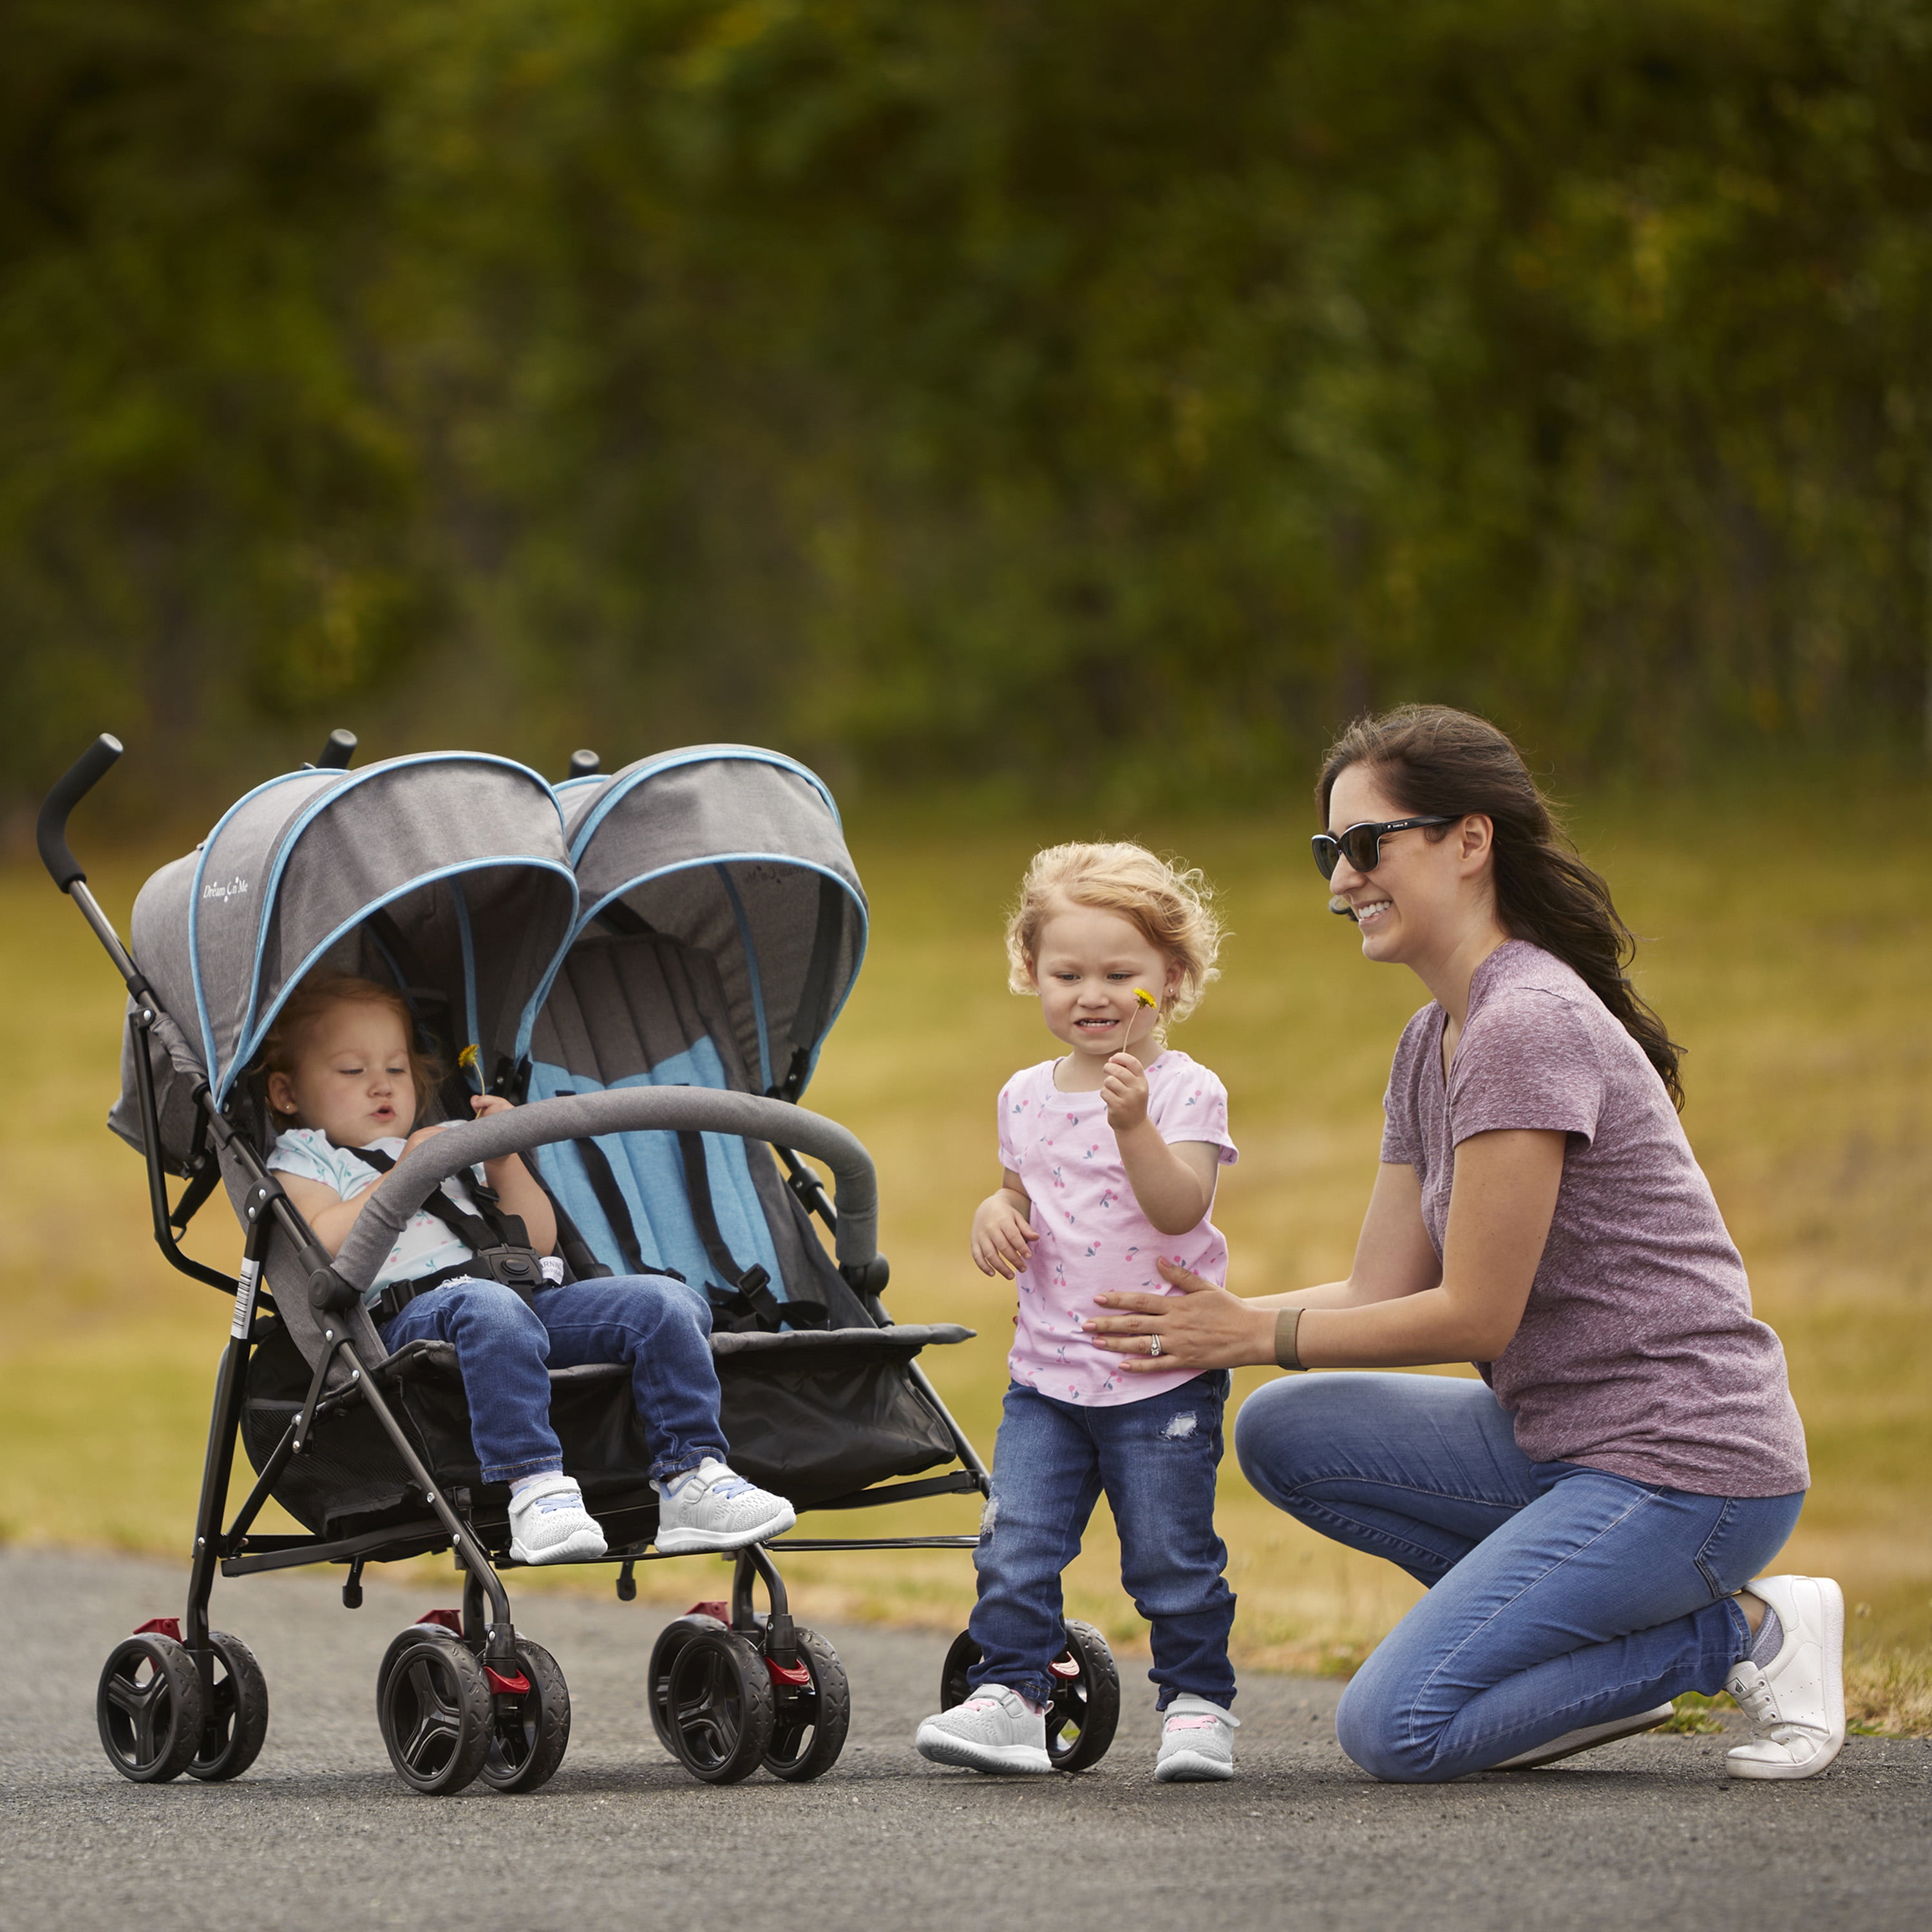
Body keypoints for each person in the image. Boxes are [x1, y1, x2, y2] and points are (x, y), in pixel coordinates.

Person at [1084, 706, 1844, 1785]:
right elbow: (1379, 1287)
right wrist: (1204, 1325)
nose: (1341, 879)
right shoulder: (1429, 1039)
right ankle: (1572, 1645)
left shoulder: (1524, 1023)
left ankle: (1743, 1634)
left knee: (1397, 1729)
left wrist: (1254, 1333)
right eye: (1328, 849)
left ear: (1470, 841)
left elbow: (1476, 1315)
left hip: (1688, 1469)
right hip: (1560, 1443)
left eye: (1367, 844)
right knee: (1288, 1429)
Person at [260, 974, 795, 1565]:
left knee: (666, 1302)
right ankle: (536, 1488)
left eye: (396, 1067)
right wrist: (407, 1171)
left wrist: (504, 1157)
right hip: (414, 1317)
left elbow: (538, 1239)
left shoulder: (450, 1137)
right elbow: (321, 1241)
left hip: (525, 1295)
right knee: (487, 1307)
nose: (381, 1084)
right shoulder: (307, 1157)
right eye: (352, 1070)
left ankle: (691, 1476)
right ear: (287, 1093)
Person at [913, 844, 1244, 1782]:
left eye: (1119, 974)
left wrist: (1132, 1123)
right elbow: (1019, 1189)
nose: (1093, 996)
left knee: (1170, 1558)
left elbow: (1180, 1208)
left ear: (1171, 978)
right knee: (1015, 1544)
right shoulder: (1023, 1094)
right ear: (1032, 972)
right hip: (1048, 1376)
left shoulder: (1183, 1090)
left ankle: (1197, 1705)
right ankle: (1012, 1698)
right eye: (1067, 975)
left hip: (1158, 1372)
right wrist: (994, 1212)